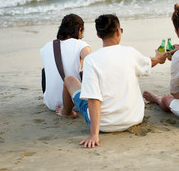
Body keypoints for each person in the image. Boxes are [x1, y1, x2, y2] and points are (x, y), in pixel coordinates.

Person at [56, 14, 166, 148]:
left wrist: (94, 135)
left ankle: (66, 112)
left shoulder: (92, 60)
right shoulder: (130, 53)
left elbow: (93, 99)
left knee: (69, 80)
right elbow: (149, 62)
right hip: (133, 119)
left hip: (105, 125)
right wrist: (159, 58)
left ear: (98, 34)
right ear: (118, 31)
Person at [40, 14, 91, 110]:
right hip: (75, 103)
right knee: (88, 68)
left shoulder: (45, 47)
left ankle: (53, 97)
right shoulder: (81, 45)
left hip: (51, 104)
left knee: (45, 70)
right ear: (79, 30)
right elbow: (92, 65)